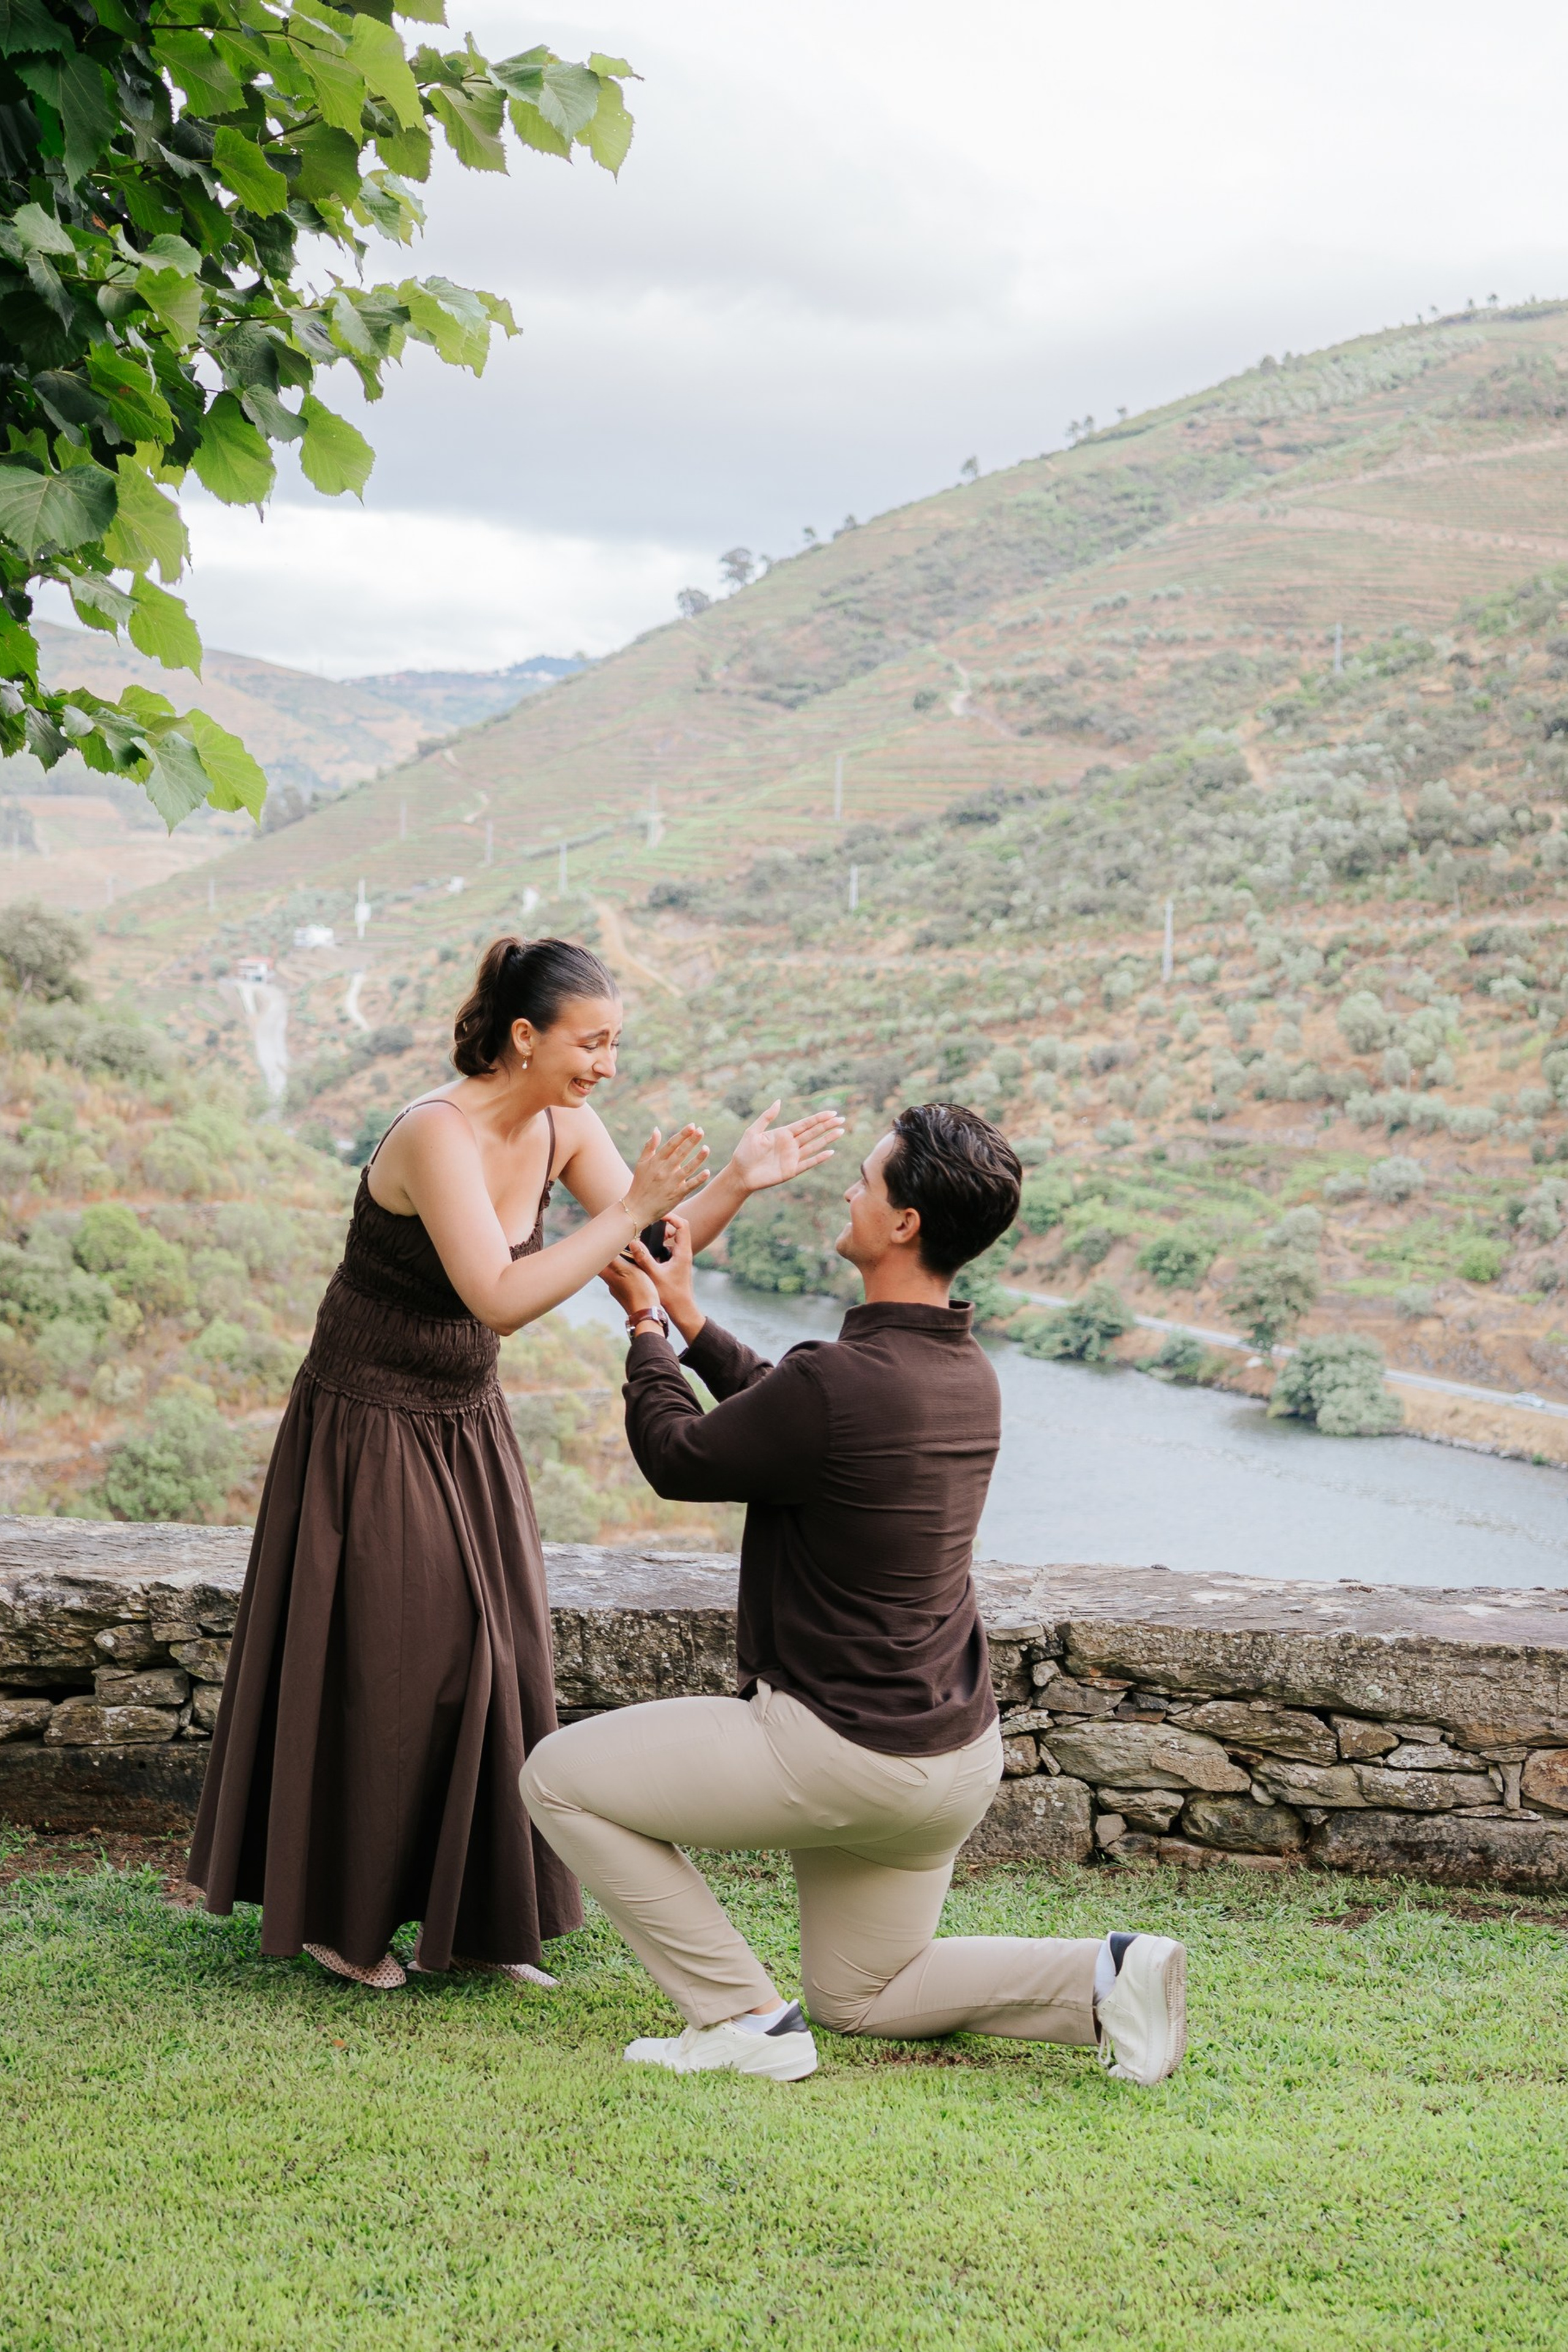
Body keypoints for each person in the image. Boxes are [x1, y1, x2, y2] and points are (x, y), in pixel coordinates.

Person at [188, 935, 843, 1993]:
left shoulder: (565, 1126)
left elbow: (644, 1253)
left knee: (501, 1658)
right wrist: (628, 1215)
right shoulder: (433, 1135)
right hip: (370, 1419)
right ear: (526, 1035)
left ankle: (484, 1922)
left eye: (617, 1046)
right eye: (594, 1044)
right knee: (396, 1667)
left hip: (465, 1414)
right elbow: (499, 1293)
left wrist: (735, 1184)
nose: (606, 1068)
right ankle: (345, 1923)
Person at [520, 1101, 1186, 2086]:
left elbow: (682, 1455)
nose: (850, 1190)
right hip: (952, 1761)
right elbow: (798, 1409)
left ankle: (741, 2017)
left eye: (867, 1180)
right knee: (864, 1992)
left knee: (557, 1778)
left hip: (838, 1753)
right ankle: (1109, 1975)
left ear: (906, 1221)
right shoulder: (968, 1375)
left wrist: (646, 1325)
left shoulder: (841, 1383)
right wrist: (695, 1322)